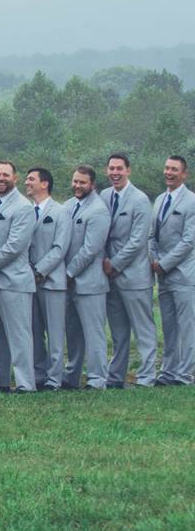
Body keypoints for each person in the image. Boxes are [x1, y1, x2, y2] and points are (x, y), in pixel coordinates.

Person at [0, 161, 37, 393]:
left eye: (5, 175)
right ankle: (0, 377)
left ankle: (25, 382)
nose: (0, 178)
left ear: (15, 178)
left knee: (19, 334)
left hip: (14, 281)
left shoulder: (24, 207)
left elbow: (15, 246)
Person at [101, 154, 157, 388]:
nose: (115, 173)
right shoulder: (104, 196)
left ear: (128, 171)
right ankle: (116, 376)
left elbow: (138, 240)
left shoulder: (140, 199)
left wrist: (115, 264)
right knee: (118, 331)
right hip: (109, 275)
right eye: (111, 168)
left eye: (119, 169)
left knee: (143, 329)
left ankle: (146, 376)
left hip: (134, 275)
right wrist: (104, 260)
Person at [62, 166, 110, 390]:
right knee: (73, 333)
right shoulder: (69, 206)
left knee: (93, 333)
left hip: (89, 283)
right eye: (75, 181)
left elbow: (91, 249)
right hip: (68, 283)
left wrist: (69, 272)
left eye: (82, 182)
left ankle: (97, 378)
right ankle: (72, 375)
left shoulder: (98, 210)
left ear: (92, 185)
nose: (77, 186)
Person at [150, 156, 195, 386]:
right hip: (163, 276)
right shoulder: (159, 200)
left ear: (184, 174)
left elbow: (188, 241)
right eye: (167, 168)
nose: (169, 172)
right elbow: (152, 235)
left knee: (187, 327)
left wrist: (164, 262)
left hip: (184, 275)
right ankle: (168, 372)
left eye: (174, 170)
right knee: (168, 327)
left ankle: (185, 374)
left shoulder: (191, 201)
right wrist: (154, 258)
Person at [25, 168, 71, 392]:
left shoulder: (60, 212)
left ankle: (55, 378)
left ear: (45, 184)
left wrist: (39, 271)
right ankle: (38, 374)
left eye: (31, 179)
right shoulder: (27, 211)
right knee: (33, 331)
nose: (27, 182)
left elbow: (59, 248)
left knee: (54, 333)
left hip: (51, 281)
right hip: (28, 282)